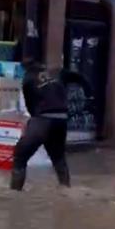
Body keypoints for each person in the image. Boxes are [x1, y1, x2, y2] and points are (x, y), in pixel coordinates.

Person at [10, 61, 92, 191]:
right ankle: (66, 190)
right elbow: (80, 77)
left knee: (20, 156)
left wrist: (34, 125)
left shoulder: (28, 78)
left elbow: (30, 106)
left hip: (42, 119)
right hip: (61, 119)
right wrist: (89, 94)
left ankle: (14, 195)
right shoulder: (58, 72)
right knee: (58, 158)